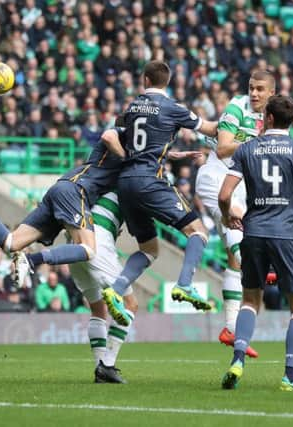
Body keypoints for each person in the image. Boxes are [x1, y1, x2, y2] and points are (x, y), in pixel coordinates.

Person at [101, 60, 218, 326]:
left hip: (126, 183)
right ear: (168, 81)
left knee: (149, 249)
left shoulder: (132, 107)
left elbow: (123, 139)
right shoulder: (173, 108)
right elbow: (210, 128)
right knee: (198, 232)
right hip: (150, 181)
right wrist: (238, 127)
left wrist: (164, 153)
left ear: (144, 80)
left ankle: (115, 289)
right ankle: (185, 285)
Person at [0, 128, 126, 287]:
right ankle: (31, 260)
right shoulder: (122, 135)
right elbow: (108, 136)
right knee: (89, 250)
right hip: (74, 190)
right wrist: (127, 157)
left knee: (11, 243)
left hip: (61, 188)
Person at [218, 95, 293, 391]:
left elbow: (224, 196)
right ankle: (289, 376)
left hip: (254, 232)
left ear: (269, 118)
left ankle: (238, 360)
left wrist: (227, 218)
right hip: (287, 234)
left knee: (250, 301)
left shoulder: (246, 149)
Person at [195, 70, 276, 357]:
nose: (254, 93)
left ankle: (230, 327)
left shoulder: (274, 120)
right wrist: (259, 143)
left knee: (233, 261)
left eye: (260, 89)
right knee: (237, 219)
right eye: (252, 87)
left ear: (271, 94)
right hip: (216, 177)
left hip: (241, 185)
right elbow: (224, 147)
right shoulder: (237, 107)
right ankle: (255, 264)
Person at [68, 192, 137, 384]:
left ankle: (100, 367)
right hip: (97, 240)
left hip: (74, 240)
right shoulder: (128, 181)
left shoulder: (94, 178)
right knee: (130, 304)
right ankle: (106, 366)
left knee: (98, 308)